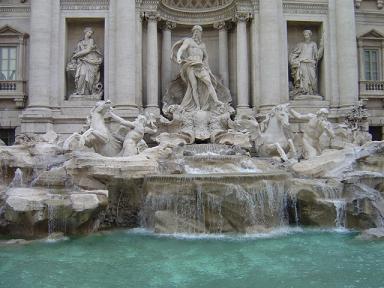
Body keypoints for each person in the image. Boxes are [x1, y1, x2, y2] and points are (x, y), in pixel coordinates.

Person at [171, 25, 223, 111]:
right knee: (193, 86)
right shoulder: (188, 41)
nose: (196, 33)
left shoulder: (202, 45)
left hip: (200, 65)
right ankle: (198, 106)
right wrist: (179, 57)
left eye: (198, 32)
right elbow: (181, 49)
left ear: (200, 33)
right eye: (195, 31)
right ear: (193, 32)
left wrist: (206, 65)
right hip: (190, 65)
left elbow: (206, 56)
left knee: (209, 82)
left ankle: (216, 100)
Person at [289, 30, 324, 96]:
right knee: (304, 78)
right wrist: (295, 60)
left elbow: (317, 55)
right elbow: (294, 54)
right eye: (305, 35)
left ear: (310, 35)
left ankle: (313, 92)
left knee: (313, 78)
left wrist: (321, 46)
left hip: (311, 63)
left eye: (307, 35)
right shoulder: (300, 44)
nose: (306, 36)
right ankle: (305, 92)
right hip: (302, 63)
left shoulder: (313, 44)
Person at [70, 27, 103, 96]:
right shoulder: (80, 43)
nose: (90, 34)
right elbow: (76, 52)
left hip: (91, 61)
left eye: (91, 33)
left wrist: (76, 55)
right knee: (82, 75)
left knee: (91, 79)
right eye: (89, 32)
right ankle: (79, 91)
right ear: (85, 32)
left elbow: (87, 50)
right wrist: (75, 57)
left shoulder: (91, 41)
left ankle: (89, 92)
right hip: (82, 62)